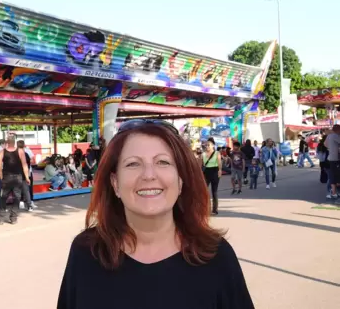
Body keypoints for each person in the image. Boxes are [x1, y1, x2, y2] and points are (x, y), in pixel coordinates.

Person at [57, 119, 254, 309]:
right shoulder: (86, 252)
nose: (149, 175)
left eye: (162, 162)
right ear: (115, 183)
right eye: (133, 164)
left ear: (180, 180)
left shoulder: (216, 256)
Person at [0, 136, 30, 225]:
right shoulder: (20, 151)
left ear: (7, 142)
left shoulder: (2, 152)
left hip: (6, 178)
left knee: (3, 197)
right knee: (17, 197)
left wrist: (1, 177)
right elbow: (24, 165)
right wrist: (27, 177)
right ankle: (13, 218)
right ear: (14, 142)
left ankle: (0, 218)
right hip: (17, 178)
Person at [202, 138, 222, 215]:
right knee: (205, 192)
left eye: (208, 145)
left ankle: (215, 209)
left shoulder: (217, 153)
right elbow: (201, 165)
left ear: (213, 146)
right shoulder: (203, 154)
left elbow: (219, 162)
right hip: (206, 172)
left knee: (214, 191)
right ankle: (206, 208)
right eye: (206, 145)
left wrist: (220, 170)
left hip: (215, 172)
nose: (207, 146)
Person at [17, 140, 35, 211]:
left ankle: (19, 203)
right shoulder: (26, 153)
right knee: (26, 190)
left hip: (16, 174)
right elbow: (28, 164)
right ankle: (29, 205)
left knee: (16, 190)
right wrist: (27, 176)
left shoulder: (14, 154)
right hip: (25, 173)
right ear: (24, 145)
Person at [325, 125, 340, 198]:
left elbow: (325, 144)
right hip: (335, 158)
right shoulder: (335, 136)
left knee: (331, 176)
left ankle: (332, 192)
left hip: (330, 158)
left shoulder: (329, 136)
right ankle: (334, 193)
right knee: (335, 176)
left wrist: (332, 148)